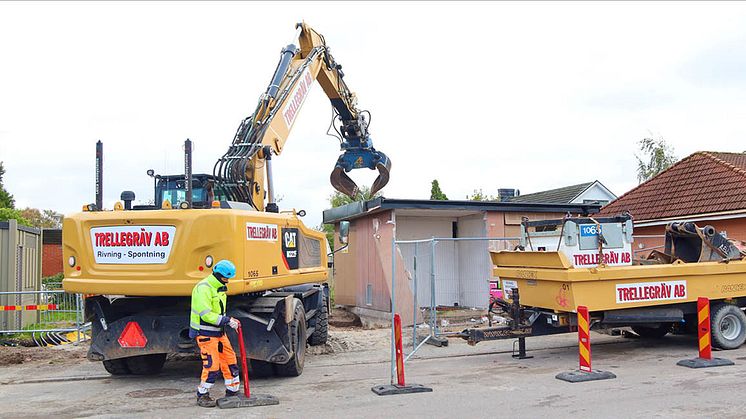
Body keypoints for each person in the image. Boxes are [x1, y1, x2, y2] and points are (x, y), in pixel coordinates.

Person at [189, 259, 241, 407]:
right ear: (218, 275)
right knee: (212, 366)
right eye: (225, 278)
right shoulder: (203, 288)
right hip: (206, 334)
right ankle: (202, 395)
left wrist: (228, 322)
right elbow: (206, 315)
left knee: (230, 361)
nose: (227, 281)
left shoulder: (219, 287)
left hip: (219, 333)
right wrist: (227, 320)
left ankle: (232, 392)